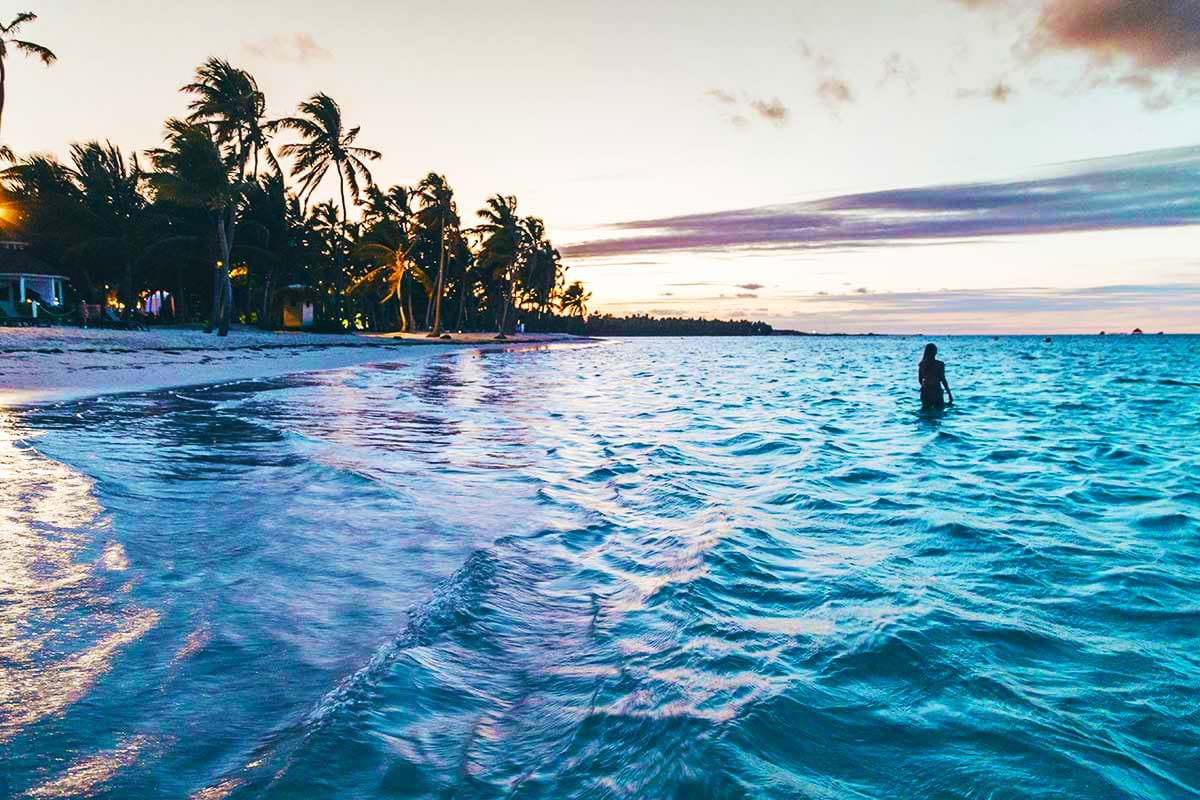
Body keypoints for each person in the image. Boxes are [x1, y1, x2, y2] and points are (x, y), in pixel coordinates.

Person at [918, 343, 953, 410]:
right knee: (939, 414)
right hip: (936, 391)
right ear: (935, 352)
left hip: (925, 392)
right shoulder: (940, 364)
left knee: (925, 415)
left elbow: (920, 379)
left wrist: (924, 386)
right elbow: (943, 380)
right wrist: (949, 393)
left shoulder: (922, 364)